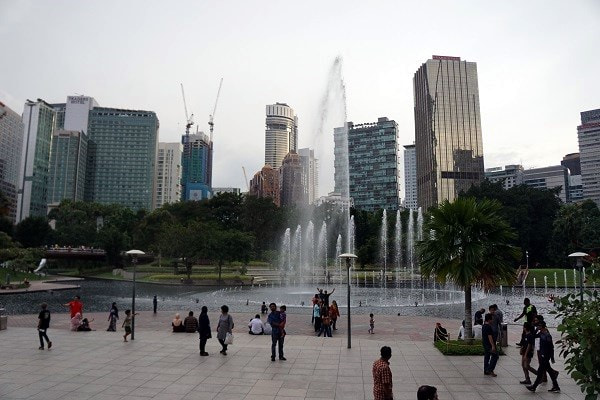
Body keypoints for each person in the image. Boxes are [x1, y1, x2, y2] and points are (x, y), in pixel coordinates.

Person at [526, 321, 560, 393]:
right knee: (550, 371)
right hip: (542, 355)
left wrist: (552, 357)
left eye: (539, 326)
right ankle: (556, 386)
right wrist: (536, 330)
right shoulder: (540, 334)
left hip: (545, 356)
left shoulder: (547, 335)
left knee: (540, 371)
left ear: (542, 326)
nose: (538, 327)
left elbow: (551, 347)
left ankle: (534, 387)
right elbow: (533, 337)